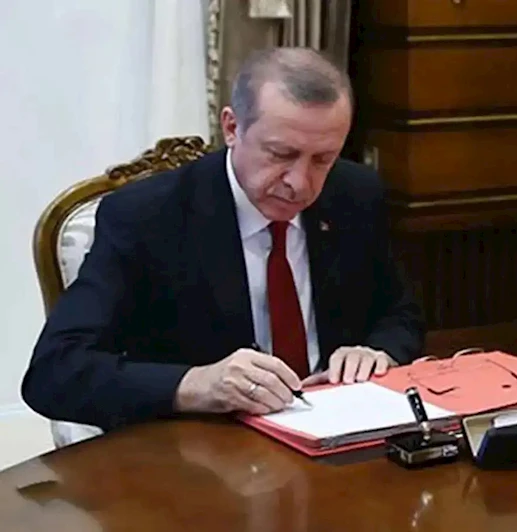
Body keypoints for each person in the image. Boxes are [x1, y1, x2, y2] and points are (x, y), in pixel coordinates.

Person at [21, 47, 425, 432]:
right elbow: (55, 371)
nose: (300, 184)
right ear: (232, 128)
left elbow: (400, 313)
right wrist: (197, 384)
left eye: (323, 159)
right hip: (204, 449)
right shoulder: (147, 217)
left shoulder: (355, 195)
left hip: (336, 431)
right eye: (281, 154)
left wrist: (377, 352)